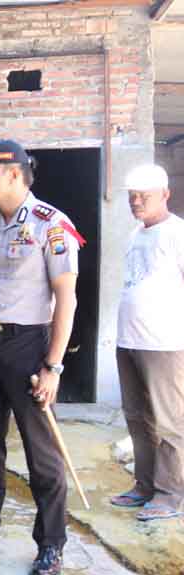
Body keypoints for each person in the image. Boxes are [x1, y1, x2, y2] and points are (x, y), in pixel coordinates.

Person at [0, 140, 83, 575]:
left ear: (13, 174)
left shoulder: (52, 225)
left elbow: (66, 299)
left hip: (29, 346)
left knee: (42, 454)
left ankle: (51, 545)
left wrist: (53, 367)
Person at [110, 164, 184, 521]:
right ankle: (144, 486)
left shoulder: (177, 234)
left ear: (165, 195)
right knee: (138, 418)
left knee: (170, 422)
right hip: (130, 340)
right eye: (132, 196)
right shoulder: (135, 234)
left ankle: (169, 494)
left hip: (165, 344)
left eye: (145, 196)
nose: (136, 202)